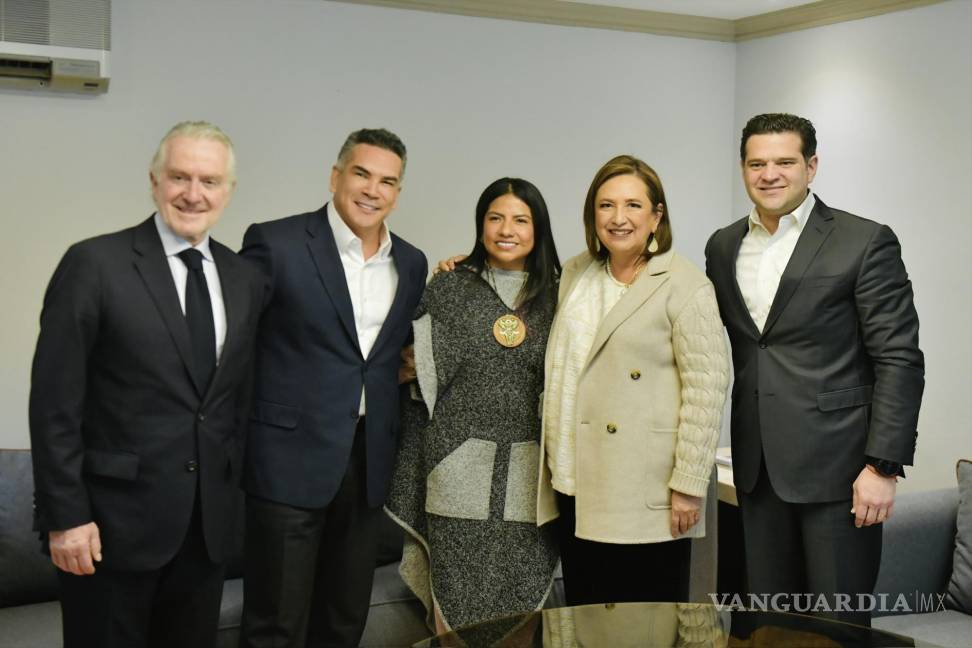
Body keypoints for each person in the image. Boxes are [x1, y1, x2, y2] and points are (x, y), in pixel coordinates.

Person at [28, 121, 264, 648]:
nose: (193, 194)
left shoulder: (244, 278)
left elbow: (234, 403)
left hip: (206, 533)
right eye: (179, 177)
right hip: (108, 531)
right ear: (154, 181)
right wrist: (66, 518)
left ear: (228, 191)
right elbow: (54, 404)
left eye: (209, 180)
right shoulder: (94, 264)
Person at [704, 113, 924, 626]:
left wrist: (883, 467)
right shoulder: (722, 245)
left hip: (841, 473)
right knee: (768, 625)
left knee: (837, 626)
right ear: (743, 169)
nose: (769, 174)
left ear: (812, 166)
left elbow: (899, 358)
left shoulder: (863, 240)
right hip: (756, 473)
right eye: (757, 163)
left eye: (784, 161)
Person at [238, 128, 428, 647]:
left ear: (397, 193)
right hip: (286, 462)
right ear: (335, 176)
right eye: (362, 174)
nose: (372, 190)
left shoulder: (412, 262)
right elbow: (233, 345)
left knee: (344, 621)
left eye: (387, 181)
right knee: (276, 624)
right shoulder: (275, 243)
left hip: (367, 463)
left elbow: (390, 354)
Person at [537, 155, 729, 605]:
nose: (618, 218)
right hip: (574, 477)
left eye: (633, 206)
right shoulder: (576, 273)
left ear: (656, 216)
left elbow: (707, 389)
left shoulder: (684, 285)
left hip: (645, 485)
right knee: (586, 613)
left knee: (646, 619)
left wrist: (688, 485)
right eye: (606, 206)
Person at [385, 178, 562, 637]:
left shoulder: (562, 297)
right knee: (454, 615)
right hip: (455, 473)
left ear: (538, 229)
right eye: (495, 218)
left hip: (532, 482)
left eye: (521, 220)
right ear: (481, 225)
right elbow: (411, 378)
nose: (507, 230)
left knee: (523, 612)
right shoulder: (447, 289)